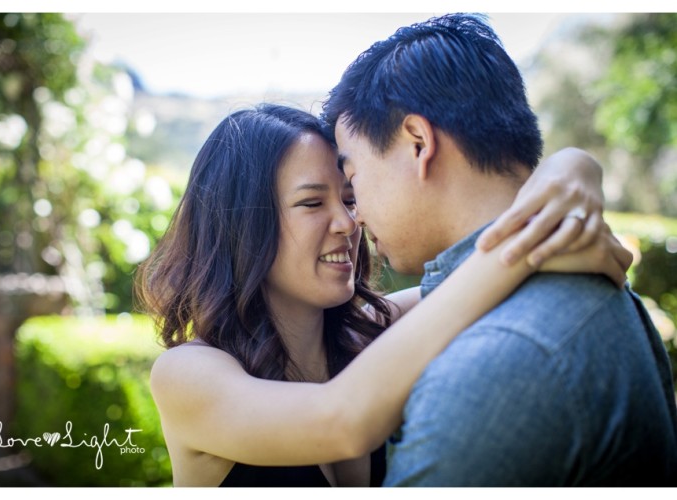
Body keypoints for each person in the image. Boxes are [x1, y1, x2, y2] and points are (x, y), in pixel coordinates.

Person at [137, 103, 630, 487]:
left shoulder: (372, 331)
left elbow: (463, 283)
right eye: (312, 202)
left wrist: (577, 166)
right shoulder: (188, 375)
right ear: (243, 226)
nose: (349, 223)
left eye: (350, 198)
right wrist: (522, 251)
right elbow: (341, 420)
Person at [321, 13, 677, 486]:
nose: (355, 215)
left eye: (352, 179)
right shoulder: (586, 280)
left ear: (418, 143)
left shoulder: (490, 365)